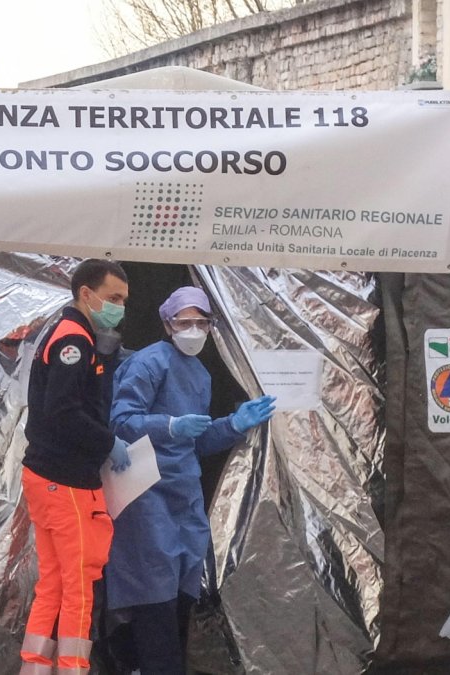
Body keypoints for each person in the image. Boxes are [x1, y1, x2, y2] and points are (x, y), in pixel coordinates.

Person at [106, 286, 275, 674]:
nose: (195, 330)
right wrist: (169, 425)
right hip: (146, 498)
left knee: (179, 599)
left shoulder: (199, 374)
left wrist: (232, 425)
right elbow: (121, 421)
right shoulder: (148, 364)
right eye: (186, 322)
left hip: (183, 500)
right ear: (168, 324)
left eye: (203, 322)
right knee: (153, 600)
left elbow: (195, 443)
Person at [20, 259, 132, 675]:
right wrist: (108, 442)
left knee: (52, 581)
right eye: (114, 298)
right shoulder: (74, 339)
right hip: (66, 482)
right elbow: (63, 411)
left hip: (47, 477)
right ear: (87, 294)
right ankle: (71, 669)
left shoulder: (74, 334)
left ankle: (34, 668)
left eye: (123, 300)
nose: (119, 307)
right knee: (79, 585)